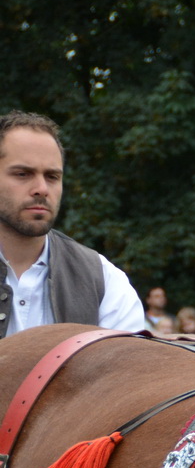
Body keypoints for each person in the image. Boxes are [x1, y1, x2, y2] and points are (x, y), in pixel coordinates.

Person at [0, 111, 145, 335]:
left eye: (52, 177)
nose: (42, 189)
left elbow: (129, 367)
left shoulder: (103, 280)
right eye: (22, 174)